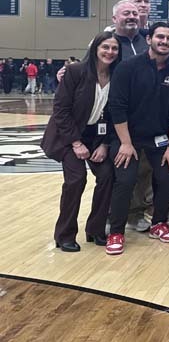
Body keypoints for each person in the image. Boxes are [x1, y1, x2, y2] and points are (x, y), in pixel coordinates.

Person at [105, 22, 169, 255]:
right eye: (160, 37)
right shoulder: (128, 67)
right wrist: (125, 143)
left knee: (168, 176)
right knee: (125, 179)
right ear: (150, 38)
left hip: (159, 139)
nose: (164, 42)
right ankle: (116, 231)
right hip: (126, 137)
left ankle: (159, 223)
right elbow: (117, 107)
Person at [41, 33, 120, 252]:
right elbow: (61, 109)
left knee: (107, 176)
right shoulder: (76, 71)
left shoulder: (117, 75)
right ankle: (64, 235)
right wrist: (76, 143)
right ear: (95, 48)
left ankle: (95, 230)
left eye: (114, 48)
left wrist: (104, 144)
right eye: (106, 47)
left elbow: (114, 115)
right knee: (76, 179)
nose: (110, 52)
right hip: (68, 135)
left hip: (96, 137)